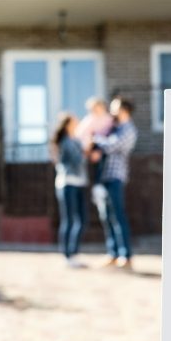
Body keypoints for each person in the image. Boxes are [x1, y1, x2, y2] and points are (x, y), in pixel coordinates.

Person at [93, 97, 137, 269]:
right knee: (107, 216)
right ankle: (113, 253)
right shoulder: (115, 128)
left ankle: (125, 255)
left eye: (115, 109)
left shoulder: (128, 130)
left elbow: (111, 146)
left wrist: (96, 138)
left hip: (116, 177)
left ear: (124, 110)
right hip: (105, 176)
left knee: (118, 215)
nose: (112, 112)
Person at [50, 112, 88, 268]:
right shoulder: (66, 142)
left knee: (82, 220)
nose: (78, 123)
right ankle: (67, 255)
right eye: (74, 121)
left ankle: (74, 253)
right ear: (68, 125)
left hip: (79, 183)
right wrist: (88, 148)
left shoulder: (76, 141)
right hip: (67, 184)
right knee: (69, 220)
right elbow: (78, 159)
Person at [74, 96, 113, 184]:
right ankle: (96, 185)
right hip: (92, 146)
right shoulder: (89, 120)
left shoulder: (109, 119)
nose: (95, 110)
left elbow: (111, 135)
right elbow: (80, 134)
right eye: (93, 109)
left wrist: (99, 149)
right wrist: (89, 147)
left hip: (105, 147)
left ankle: (99, 184)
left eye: (97, 108)